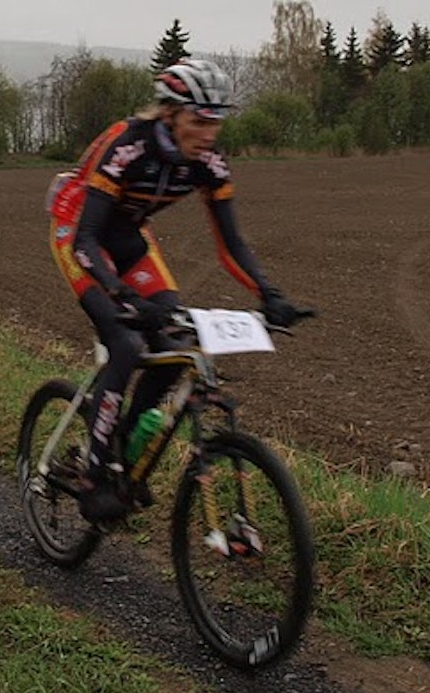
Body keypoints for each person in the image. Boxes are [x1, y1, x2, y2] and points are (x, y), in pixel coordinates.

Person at [47, 58, 313, 522]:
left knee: (172, 347)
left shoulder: (209, 163)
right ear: (170, 113)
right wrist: (122, 297)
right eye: (199, 120)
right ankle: (92, 472)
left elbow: (230, 244)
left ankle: (123, 454)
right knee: (126, 342)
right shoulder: (128, 145)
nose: (209, 133)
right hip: (79, 233)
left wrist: (270, 295)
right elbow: (88, 236)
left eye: (217, 121)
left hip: (130, 239)